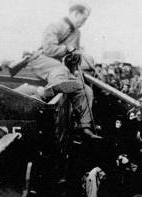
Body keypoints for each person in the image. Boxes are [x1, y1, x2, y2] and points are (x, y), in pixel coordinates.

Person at [29, 2, 100, 139]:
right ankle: (51, 89)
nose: (84, 23)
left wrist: (74, 59)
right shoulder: (55, 27)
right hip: (42, 60)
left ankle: (85, 127)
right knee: (60, 69)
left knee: (85, 90)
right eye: (83, 19)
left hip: (61, 70)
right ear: (75, 14)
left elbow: (73, 59)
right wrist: (68, 49)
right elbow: (48, 50)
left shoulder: (77, 33)